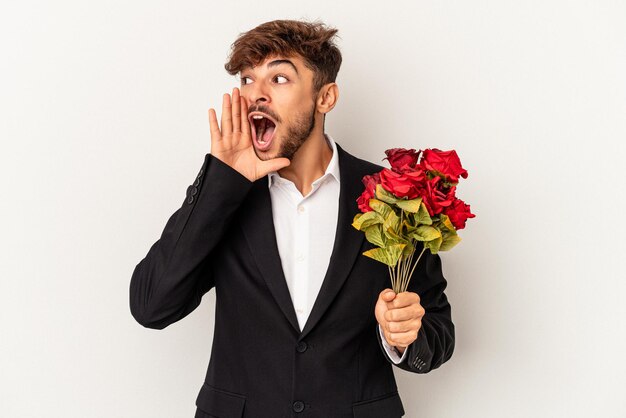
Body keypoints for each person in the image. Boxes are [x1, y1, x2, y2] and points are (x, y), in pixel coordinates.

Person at [129, 19, 454, 418]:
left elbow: (438, 331)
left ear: (326, 97)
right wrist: (219, 182)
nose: (256, 95)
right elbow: (151, 306)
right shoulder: (226, 196)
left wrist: (403, 336)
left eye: (279, 78)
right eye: (248, 79)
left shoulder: (392, 195)